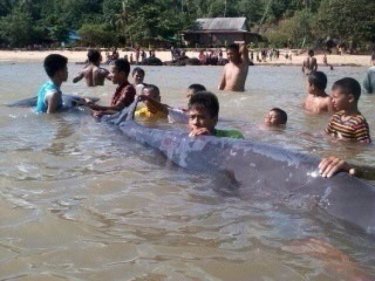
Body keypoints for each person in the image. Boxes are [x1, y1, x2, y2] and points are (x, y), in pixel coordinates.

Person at [325, 77, 371, 143]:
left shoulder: (359, 123)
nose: (332, 101)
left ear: (350, 98)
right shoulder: (335, 117)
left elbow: (364, 145)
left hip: (347, 152)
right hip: (333, 153)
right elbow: (326, 133)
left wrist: (346, 143)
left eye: (335, 97)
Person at [138, 84, 206, 124]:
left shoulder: (208, 115)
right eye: (188, 96)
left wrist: (148, 99)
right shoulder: (181, 112)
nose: (190, 99)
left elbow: (163, 108)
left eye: (194, 96)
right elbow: (166, 108)